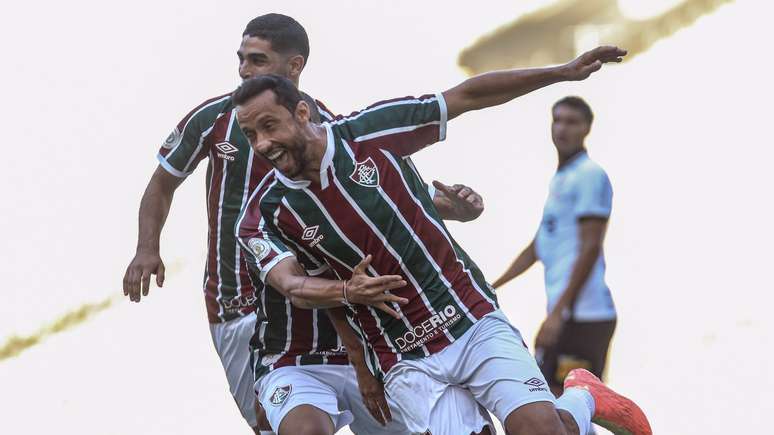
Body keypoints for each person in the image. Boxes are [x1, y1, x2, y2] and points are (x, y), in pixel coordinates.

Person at [234, 45, 652, 435]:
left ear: (302, 112)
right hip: (402, 357)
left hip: (467, 317)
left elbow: (466, 96)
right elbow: (294, 285)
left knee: (540, 429)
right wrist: (350, 309)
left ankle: (582, 397)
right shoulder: (265, 211)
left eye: (269, 126)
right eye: (251, 135)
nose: (263, 144)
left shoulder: (369, 133)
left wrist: (560, 73)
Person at [122, 13, 486, 434]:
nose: (244, 70)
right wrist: (147, 247)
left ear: (294, 67)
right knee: (272, 424)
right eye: (241, 59)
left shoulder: (326, 129)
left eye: (257, 60)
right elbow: (162, 182)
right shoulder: (213, 118)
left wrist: (449, 209)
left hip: (327, 301)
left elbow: (381, 200)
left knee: (399, 421)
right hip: (238, 304)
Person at [492, 97, 617, 401]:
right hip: (565, 314)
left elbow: (590, 248)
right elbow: (538, 245)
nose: (562, 128)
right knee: (552, 402)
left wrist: (558, 314)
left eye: (571, 122)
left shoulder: (589, 175)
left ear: (587, 128)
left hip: (584, 317)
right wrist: (489, 286)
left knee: (564, 403)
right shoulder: (561, 177)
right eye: (557, 120)